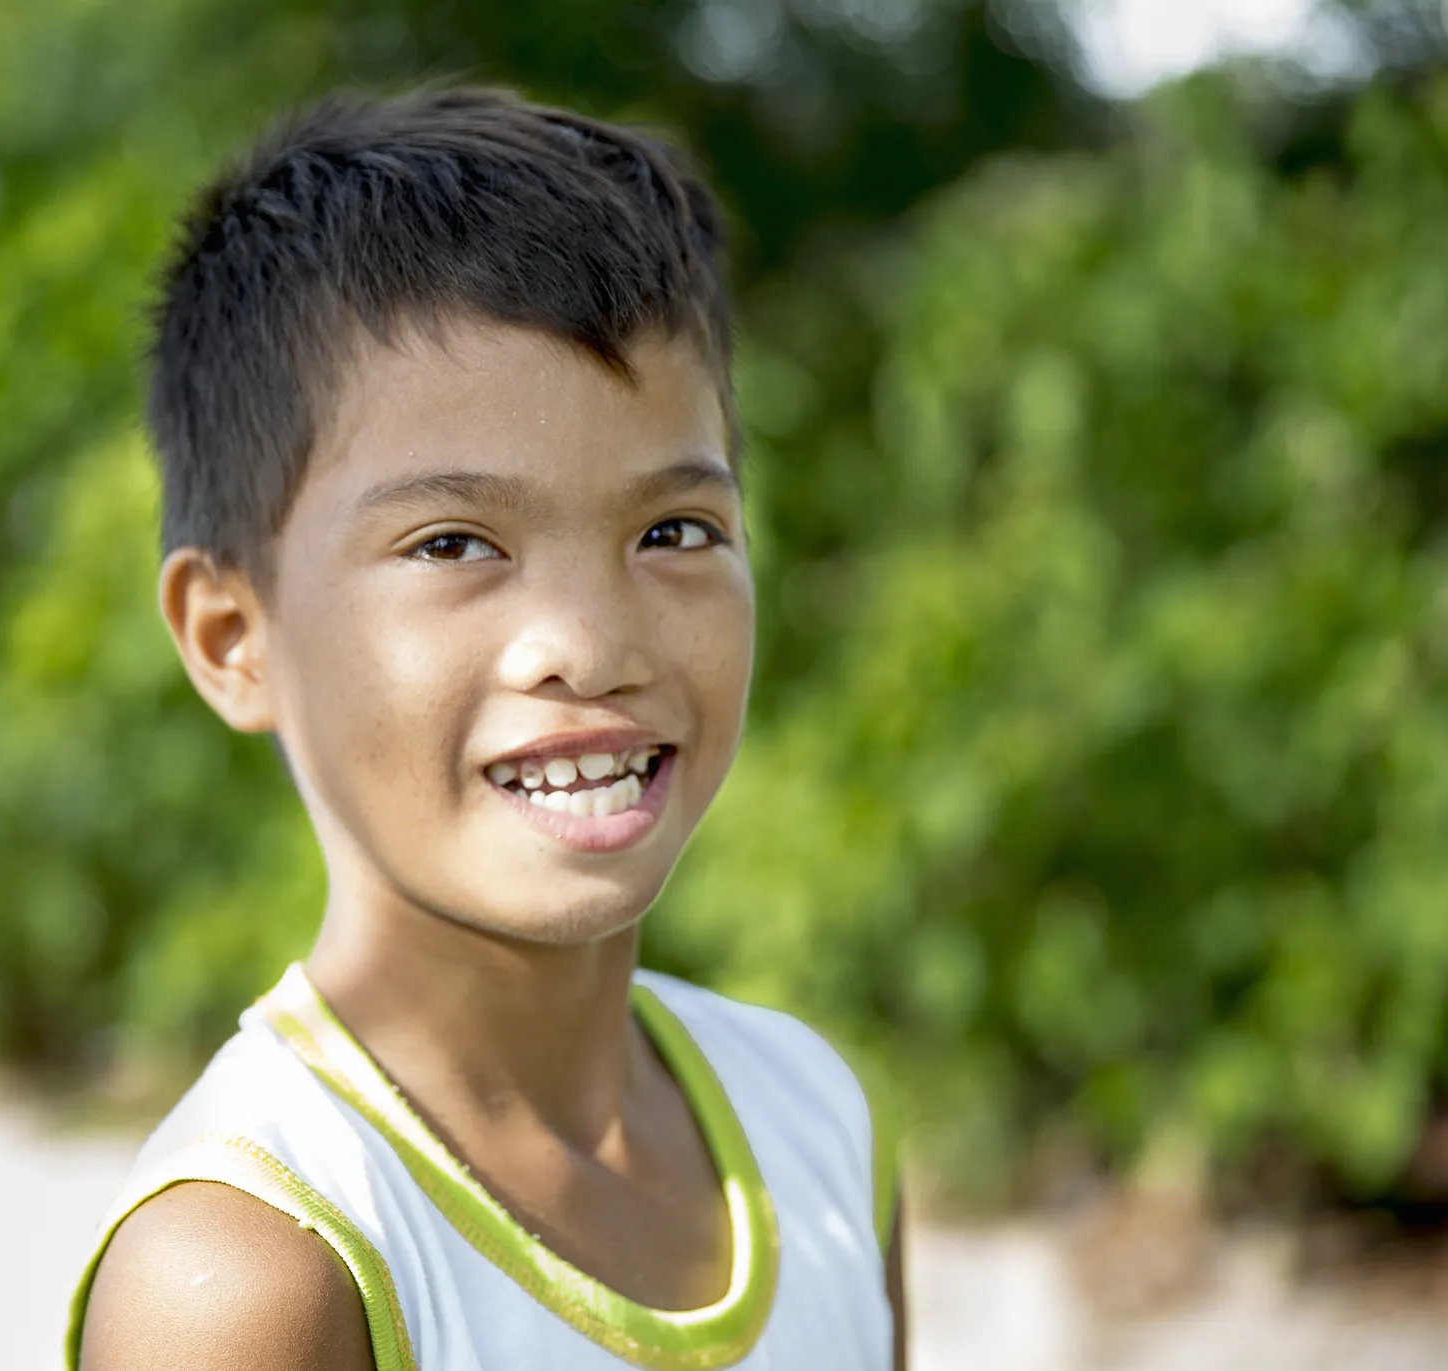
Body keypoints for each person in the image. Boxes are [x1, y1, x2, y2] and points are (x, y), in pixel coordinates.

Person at [68, 86, 906, 1371]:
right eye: (451, 542)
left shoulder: (816, 1122)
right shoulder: (252, 1277)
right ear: (234, 638)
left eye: (671, 531)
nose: (592, 642)